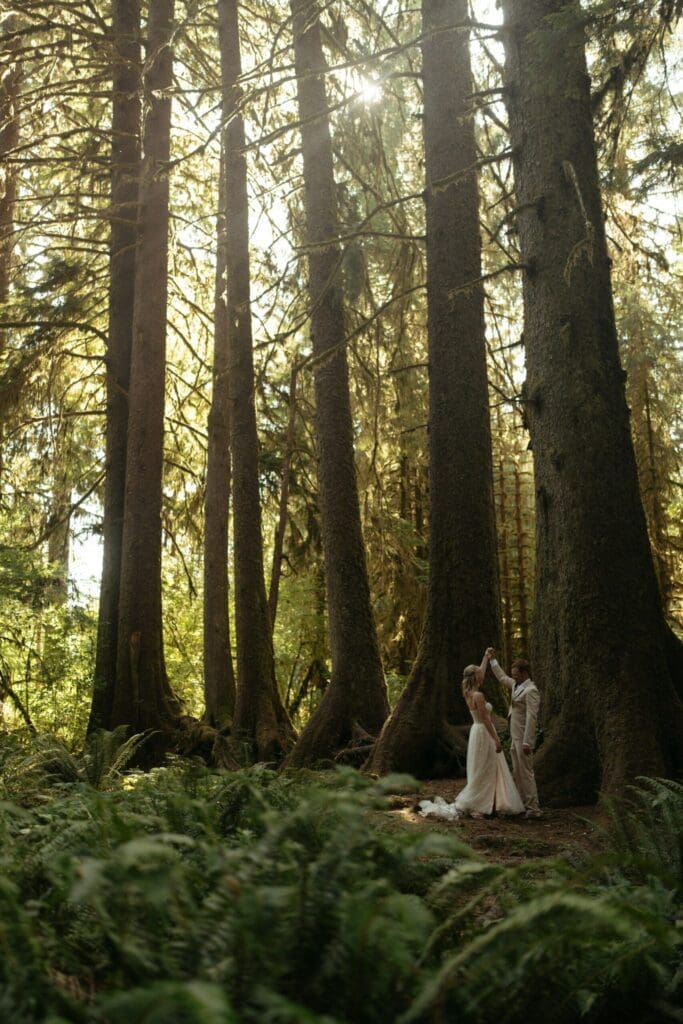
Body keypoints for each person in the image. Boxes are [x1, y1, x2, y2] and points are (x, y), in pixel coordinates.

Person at [419, 650, 524, 820]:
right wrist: (496, 740)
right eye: (480, 674)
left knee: (481, 768)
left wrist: (485, 657)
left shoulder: (468, 693)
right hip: (484, 733)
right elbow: (487, 720)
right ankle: (480, 805)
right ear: (476, 678)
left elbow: (480, 672)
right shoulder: (479, 696)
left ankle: (490, 802)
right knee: (487, 768)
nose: (483, 676)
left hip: (477, 732)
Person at [487, 648, 542, 818]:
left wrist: (528, 742)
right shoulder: (516, 686)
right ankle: (521, 805)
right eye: (514, 675)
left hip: (523, 739)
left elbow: (532, 717)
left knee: (526, 773)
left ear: (525, 673)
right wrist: (492, 661)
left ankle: (534, 808)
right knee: (517, 772)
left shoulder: (531, 690)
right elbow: (503, 678)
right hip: (514, 737)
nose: (514, 677)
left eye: (517, 674)